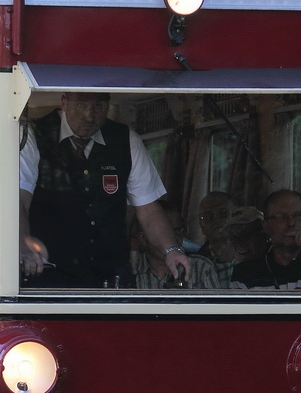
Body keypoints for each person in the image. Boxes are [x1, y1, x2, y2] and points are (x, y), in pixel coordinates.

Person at [19, 92, 190, 287]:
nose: (90, 116)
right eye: (81, 106)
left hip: (110, 274)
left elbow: (148, 209)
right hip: (49, 273)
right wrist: (23, 247)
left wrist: (171, 250)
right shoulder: (34, 135)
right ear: (64, 102)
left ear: (108, 105)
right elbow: (19, 201)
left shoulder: (126, 140)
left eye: (98, 106)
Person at [231, 189, 301, 290]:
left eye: (298, 215)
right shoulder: (246, 274)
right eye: (281, 217)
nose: (291, 223)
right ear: (265, 226)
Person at [129, 202, 221, 289]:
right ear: (143, 238)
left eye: (179, 230)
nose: (176, 238)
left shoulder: (201, 268)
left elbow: (217, 305)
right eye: (166, 234)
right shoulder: (129, 271)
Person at [195, 190, 234, 260]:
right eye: (208, 217)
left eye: (223, 214)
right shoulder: (196, 264)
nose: (216, 220)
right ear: (201, 225)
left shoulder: (251, 254)